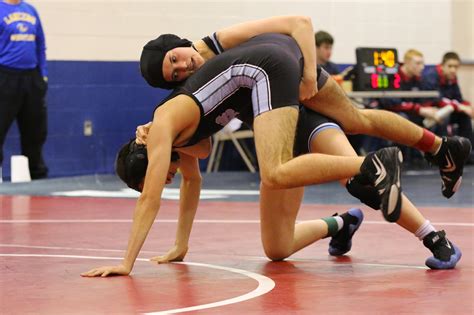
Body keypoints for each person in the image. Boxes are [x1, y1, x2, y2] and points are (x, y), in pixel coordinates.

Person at [81, 34, 407, 277]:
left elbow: (149, 200)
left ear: (148, 161)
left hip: (265, 72)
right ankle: (342, 222)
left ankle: (373, 165)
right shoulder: (177, 136)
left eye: (158, 176)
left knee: (277, 170)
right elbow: (192, 183)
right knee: (276, 247)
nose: (166, 179)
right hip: (266, 87)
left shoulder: (164, 126)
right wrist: (181, 243)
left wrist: (127, 263)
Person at [139, 16, 472, 199]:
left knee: (292, 161)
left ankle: (377, 170)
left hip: (289, 75)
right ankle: (441, 147)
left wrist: (309, 73)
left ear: (179, 43)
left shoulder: (217, 41)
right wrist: (151, 131)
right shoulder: (193, 85)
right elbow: (196, 138)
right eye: (176, 74)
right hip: (278, 96)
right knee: (355, 121)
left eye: (176, 59)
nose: (184, 67)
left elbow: (299, 24)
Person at [0, 0, 48, 179]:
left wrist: (43, 75)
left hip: (32, 77)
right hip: (5, 75)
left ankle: (37, 174)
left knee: (35, 129)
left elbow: (41, 44)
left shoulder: (30, 10)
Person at [423, 52, 473, 142]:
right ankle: (443, 151)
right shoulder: (431, 76)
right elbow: (438, 100)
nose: (453, 70)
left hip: (447, 110)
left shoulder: (452, 77)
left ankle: (468, 151)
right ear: (442, 65)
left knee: (465, 116)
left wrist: (468, 107)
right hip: (431, 111)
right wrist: (460, 106)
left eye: (456, 67)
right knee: (444, 117)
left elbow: (458, 99)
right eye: (450, 66)